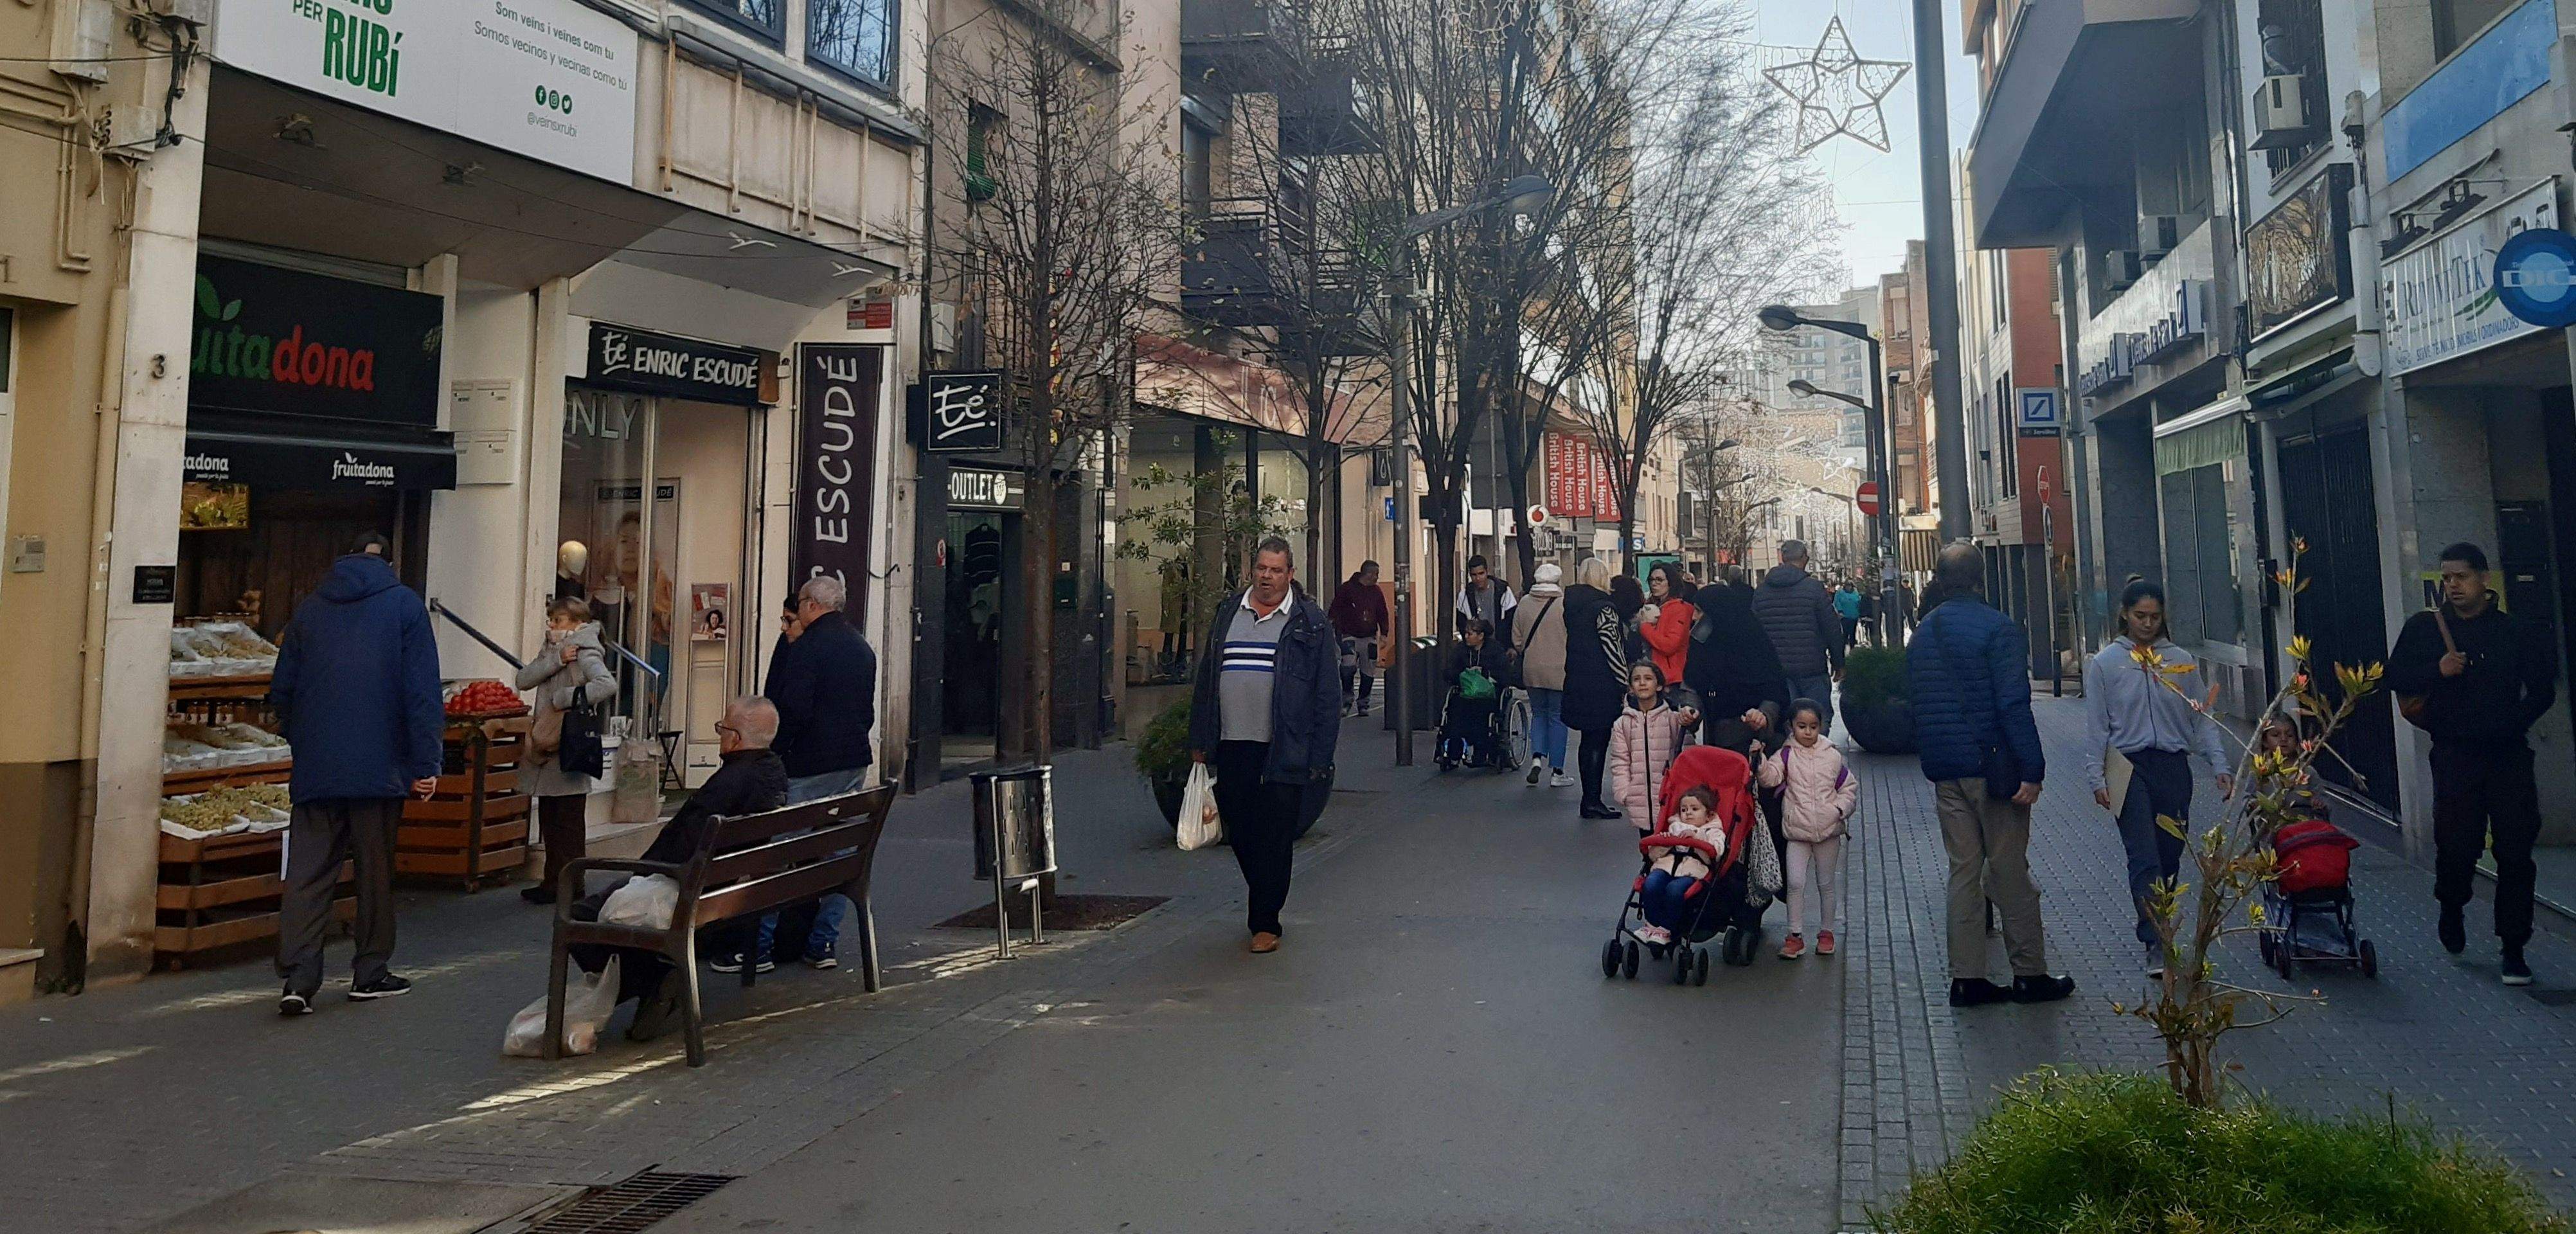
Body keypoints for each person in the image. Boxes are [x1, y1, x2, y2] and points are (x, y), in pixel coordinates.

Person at [267, 531, 444, 1015]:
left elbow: (282, 689)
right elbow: (422, 693)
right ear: (389, 563)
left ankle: (298, 979)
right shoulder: (405, 607)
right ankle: (370, 972)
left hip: (318, 767)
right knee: (375, 874)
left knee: (308, 873)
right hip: (380, 767)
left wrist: (303, 739)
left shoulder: (309, 609)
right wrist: (426, 764)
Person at [1908, 541, 2072, 1008]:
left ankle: (1968, 977)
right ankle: (2029, 973)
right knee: (2007, 871)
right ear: (1982, 579)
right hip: (1993, 768)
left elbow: (1919, 704)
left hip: (1947, 770)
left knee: (1963, 872)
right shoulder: (1997, 629)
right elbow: (2012, 705)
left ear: (1938, 580)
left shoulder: (1924, 633)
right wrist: (2033, 768)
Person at [569, 696, 789, 1042]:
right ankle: (651, 977)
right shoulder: (772, 773)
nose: (719, 735)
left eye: (722, 728)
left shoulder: (730, 781)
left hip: (690, 889)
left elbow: (679, 845)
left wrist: (638, 871)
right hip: (731, 887)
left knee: (580, 913)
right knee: (614, 901)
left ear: (736, 738)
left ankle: (653, 980)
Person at [2386, 541, 2557, 986]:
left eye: (2461, 576)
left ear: (2485, 578)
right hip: (2455, 754)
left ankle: (2514, 947)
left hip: (2507, 756)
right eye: (2446, 578)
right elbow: (2394, 677)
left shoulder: (2515, 631)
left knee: (2516, 851)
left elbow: (2543, 690)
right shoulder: (2426, 628)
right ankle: (2452, 904)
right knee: (2458, 845)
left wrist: (2510, 723)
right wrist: (2436, 671)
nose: (2453, 585)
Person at [1188, 537, 1342, 954]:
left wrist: (1321, 755)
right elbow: (1207, 677)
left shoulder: (1309, 622)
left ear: (1290, 575)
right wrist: (1200, 737)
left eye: (1276, 570)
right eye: (1261, 568)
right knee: (1239, 828)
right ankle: (1265, 888)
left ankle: (1265, 921)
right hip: (1234, 742)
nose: (1267, 577)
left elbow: (1328, 694)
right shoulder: (1228, 613)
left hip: (1284, 745)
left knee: (1275, 835)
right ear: (1252, 571)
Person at [2082, 581, 2235, 976]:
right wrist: (2096, 777)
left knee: (2169, 856)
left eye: (2154, 616)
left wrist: (2220, 765)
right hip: (2126, 767)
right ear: (2124, 615)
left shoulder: (2181, 661)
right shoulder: (2106, 663)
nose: (2147, 624)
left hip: (2172, 765)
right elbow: (2097, 726)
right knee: (2144, 856)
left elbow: (2200, 718)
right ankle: (2155, 940)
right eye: (2139, 616)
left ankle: (2158, 925)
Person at [753, 574, 877, 971]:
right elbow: (867, 712)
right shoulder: (862, 648)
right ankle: (823, 943)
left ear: (809, 605)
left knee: (781, 851)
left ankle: (759, 947)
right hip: (852, 761)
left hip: (808, 764)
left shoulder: (808, 647)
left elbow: (792, 711)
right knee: (838, 852)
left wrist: (777, 752)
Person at [519, 598, 618, 906]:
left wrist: (566, 698)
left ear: (577, 622)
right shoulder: (554, 648)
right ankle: (553, 883)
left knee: (569, 821)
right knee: (551, 816)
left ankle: (572, 886)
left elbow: (606, 684)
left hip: (569, 743)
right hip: (548, 741)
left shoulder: (586, 648)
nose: (552, 625)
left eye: (558, 620)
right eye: (551, 619)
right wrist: (556, 660)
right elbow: (523, 680)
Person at [1759, 699, 1857, 960]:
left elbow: (1848, 787)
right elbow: (1770, 777)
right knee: (1795, 883)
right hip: (1797, 832)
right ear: (1791, 726)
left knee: (1826, 884)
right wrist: (1758, 760)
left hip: (1829, 831)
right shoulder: (1785, 755)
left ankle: (1827, 933)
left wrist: (1837, 810)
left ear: (1821, 727)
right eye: (1802, 726)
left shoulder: (1832, 755)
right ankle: (1795, 935)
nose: (1808, 732)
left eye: (1813, 726)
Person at [1681, 574, 1784, 757]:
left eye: (1699, 611)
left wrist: (1763, 715)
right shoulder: (1700, 643)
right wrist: (1691, 709)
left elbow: (1774, 687)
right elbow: (1694, 682)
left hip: (1754, 741)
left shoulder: (1752, 643)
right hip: (1717, 737)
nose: (1694, 617)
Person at [1751, 539, 1847, 733]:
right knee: (1817, 719)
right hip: (1812, 667)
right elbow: (1831, 627)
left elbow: (1754, 633)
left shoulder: (1761, 592)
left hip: (1777, 669)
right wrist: (1839, 663)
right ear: (1805, 559)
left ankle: (1791, 760)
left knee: (1788, 721)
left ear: (1782, 558)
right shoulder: (1813, 589)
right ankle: (1816, 759)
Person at [1564, 558, 1633, 820]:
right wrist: (1624, 681)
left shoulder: (1572, 605)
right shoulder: (1604, 608)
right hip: (1600, 682)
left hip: (1578, 679)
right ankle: (1592, 800)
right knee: (1598, 741)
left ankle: (1588, 797)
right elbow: (1612, 648)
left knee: (1587, 741)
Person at [1636, 786, 1728, 945]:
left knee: (1675, 890)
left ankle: (1667, 928)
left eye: (1695, 809)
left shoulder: (1714, 832)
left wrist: (1697, 838)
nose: (1688, 813)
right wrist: (1665, 842)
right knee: (1651, 884)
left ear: (1708, 816)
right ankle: (1651, 924)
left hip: (1692, 872)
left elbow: (1717, 853)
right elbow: (1652, 856)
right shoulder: (1674, 827)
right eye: (1684, 810)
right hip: (1666, 867)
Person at [1607, 661, 1690, 834]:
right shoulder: (1623, 724)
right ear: (1631, 688)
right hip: (1639, 802)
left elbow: (1687, 756)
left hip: (1670, 800)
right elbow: (1620, 760)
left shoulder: (1673, 719)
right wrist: (1624, 792)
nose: (1642, 683)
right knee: (1648, 851)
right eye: (1637, 679)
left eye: (1648, 679)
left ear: (1659, 686)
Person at [1510, 562, 1571, 787]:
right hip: (1559, 670)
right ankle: (1557, 771)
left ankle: (1536, 757)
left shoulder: (1524, 603)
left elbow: (1517, 641)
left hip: (1532, 669)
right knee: (1557, 716)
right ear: (1557, 581)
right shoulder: (1565, 604)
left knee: (1538, 714)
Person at [1440, 619, 1507, 764]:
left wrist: (1486, 674)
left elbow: (1504, 672)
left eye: (1470, 634)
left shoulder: (1495, 650)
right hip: (1465, 692)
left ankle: (1481, 754)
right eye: (1466, 633)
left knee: (1481, 711)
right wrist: (1463, 675)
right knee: (1454, 710)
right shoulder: (1460, 650)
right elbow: (1449, 671)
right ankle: (1452, 753)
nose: (1466, 637)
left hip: (1487, 693)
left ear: (1481, 635)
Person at [1329, 560, 1390, 716]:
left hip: (1369, 636)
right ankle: (1347, 698)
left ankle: (1363, 703)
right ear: (1369, 574)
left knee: (1368, 672)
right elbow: (1335, 609)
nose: (1377, 577)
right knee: (1347, 668)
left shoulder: (1376, 592)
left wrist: (1384, 633)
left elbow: (1382, 612)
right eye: (1376, 574)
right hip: (1349, 635)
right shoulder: (1347, 589)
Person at [1637, 562, 1697, 687]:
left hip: (1672, 678)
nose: (1654, 584)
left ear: (1671, 582)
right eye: (1651, 580)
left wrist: (1645, 627)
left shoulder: (1680, 609)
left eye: (1659, 580)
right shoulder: (1654, 606)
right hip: (1655, 675)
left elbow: (1670, 645)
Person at [1457, 554, 1518, 648]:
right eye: (1474, 575)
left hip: (1500, 647)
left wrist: (1510, 646)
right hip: (1476, 649)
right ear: (1470, 575)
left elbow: (1512, 620)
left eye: (1481, 574)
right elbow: (1461, 623)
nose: (1478, 578)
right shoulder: (1464, 595)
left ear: (1487, 572)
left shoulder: (1503, 591)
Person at [1834, 582, 1864, 652]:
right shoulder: (1840, 593)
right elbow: (1837, 602)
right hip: (1844, 617)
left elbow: (1859, 603)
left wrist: (1860, 614)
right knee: (1844, 634)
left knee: (1852, 633)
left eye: (1850, 586)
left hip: (1854, 616)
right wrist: (1840, 611)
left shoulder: (1856, 593)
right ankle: (1842, 651)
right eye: (1847, 586)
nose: (1849, 587)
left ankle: (1852, 650)